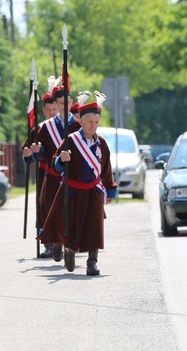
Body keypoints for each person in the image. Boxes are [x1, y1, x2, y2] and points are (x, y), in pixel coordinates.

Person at [38, 92, 117, 275]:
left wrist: (110, 189)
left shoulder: (101, 143)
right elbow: (55, 162)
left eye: (97, 122)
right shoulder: (71, 140)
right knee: (71, 225)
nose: (93, 126)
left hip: (93, 191)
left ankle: (92, 261)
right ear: (81, 121)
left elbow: (106, 168)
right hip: (72, 191)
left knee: (94, 226)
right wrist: (61, 160)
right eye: (90, 122)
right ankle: (69, 250)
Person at [23, 79, 81, 262]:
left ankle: (69, 245)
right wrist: (32, 153)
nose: (62, 107)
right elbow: (31, 155)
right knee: (48, 210)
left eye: (66, 103)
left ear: (71, 104)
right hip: (51, 176)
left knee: (72, 211)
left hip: (72, 178)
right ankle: (52, 243)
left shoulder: (78, 126)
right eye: (60, 104)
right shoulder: (43, 128)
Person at [21, 86, 60, 258]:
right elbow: (27, 151)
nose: (51, 112)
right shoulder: (39, 129)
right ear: (43, 110)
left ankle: (65, 241)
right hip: (45, 175)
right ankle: (49, 244)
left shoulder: (66, 127)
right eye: (48, 110)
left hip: (64, 175)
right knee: (43, 208)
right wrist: (29, 153)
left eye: (54, 109)